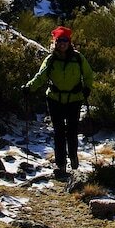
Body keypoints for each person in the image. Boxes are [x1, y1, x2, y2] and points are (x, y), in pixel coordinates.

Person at [23, 26, 95, 179]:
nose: (62, 44)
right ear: (55, 42)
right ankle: (61, 164)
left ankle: (73, 157)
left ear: (69, 42)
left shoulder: (78, 58)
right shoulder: (51, 60)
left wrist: (87, 88)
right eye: (59, 41)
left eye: (65, 41)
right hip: (54, 99)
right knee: (59, 132)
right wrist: (29, 87)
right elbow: (41, 76)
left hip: (74, 100)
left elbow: (88, 74)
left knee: (72, 131)